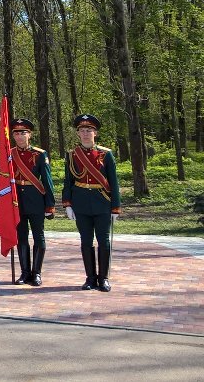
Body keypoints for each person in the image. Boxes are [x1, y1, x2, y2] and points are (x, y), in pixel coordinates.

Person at [62, 114, 120, 292]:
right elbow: (68, 181)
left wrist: (115, 208)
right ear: (78, 133)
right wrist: (68, 204)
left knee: (103, 241)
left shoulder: (106, 154)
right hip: (81, 203)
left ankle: (103, 278)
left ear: (95, 133)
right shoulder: (72, 155)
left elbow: (114, 182)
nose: (85, 134)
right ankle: (90, 277)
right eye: (82, 131)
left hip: (102, 202)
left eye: (89, 130)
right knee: (85, 241)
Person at [10, 118, 56, 286]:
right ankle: (24, 272)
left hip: (36, 198)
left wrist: (49, 205)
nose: (20, 136)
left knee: (39, 236)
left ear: (30, 134)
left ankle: (36, 273)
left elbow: (47, 180)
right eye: (16, 133)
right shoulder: (10, 154)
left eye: (23, 133)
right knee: (21, 237)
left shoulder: (39, 154)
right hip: (17, 201)